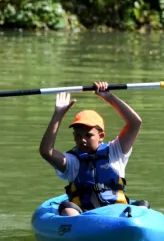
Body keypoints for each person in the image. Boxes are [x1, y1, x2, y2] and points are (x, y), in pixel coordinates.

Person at [39, 81, 147, 216]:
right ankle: (77, 234)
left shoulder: (116, 152)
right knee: (67, 207)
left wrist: (109, 97)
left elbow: (135, 123)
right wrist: (58, 115)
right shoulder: (72, 161)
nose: (82, 140)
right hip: (85, 216)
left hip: (118, 214)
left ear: (101, 136)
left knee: (143, 206)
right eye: (78, 136)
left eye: (88, 135)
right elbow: (46, 151)